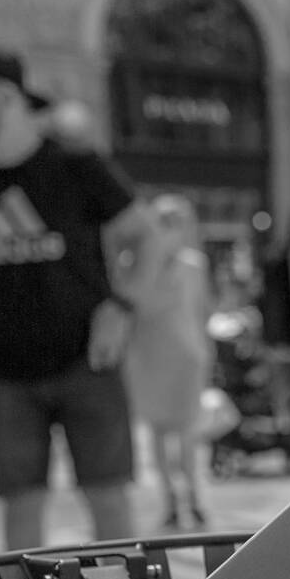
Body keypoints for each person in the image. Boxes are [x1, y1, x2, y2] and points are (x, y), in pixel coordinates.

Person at [0, 50, 161, 552]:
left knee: (109, 500)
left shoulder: (75, 165)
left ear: (6, 96)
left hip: (88, 361)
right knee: (20, 510)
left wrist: (123, 306)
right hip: (1, 371)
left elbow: (147, 236)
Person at [123, 194, 213, 530]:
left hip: (186, 357)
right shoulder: (135, 265)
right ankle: (170, 500)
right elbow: (133, 310)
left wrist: (206, 354)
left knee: (188, 432)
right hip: (149, 356)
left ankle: (194, 497)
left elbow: (201, 311)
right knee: (158, 433)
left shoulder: (194, 265)